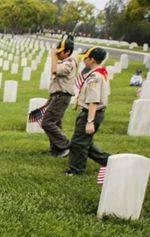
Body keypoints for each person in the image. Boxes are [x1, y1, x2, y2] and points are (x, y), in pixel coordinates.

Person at [66, 47, 111, 176]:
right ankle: (110, 161)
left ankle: (77, 171)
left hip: (91, 113)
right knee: (86, 142)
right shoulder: (99, 73)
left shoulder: (95, 77)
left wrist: (90, 121)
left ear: (92, 60)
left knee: (78, 142)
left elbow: (93, 100)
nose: (84, 60)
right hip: (93, 113)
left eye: (85, 58)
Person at [42, 35, 77, 157]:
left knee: (47, 122)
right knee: (56, 123)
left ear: (68, 52)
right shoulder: (64, 62)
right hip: (57, 96)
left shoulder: (69, 63)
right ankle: (57, 150)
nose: (58, 53)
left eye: (60, 50)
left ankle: (66, 145)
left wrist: (52, 55)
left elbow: (54, 70)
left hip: (62, 96)